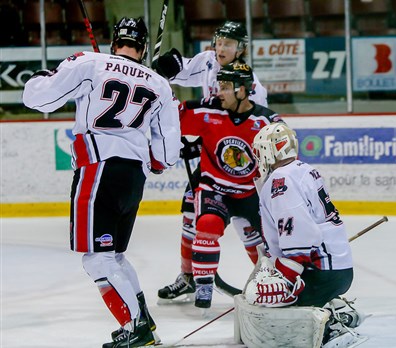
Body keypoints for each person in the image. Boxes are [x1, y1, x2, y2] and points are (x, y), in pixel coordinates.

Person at [22, 17, 182, 348]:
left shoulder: (90, 63)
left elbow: (38, 99)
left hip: (98, 167)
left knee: (97, 258)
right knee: (114, 256)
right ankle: (143, 323)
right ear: (144, 47)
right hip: (133, 177)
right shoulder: (159, 84)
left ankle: (137, 327)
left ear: (114, 42)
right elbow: (167, 155)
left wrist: (39, 78)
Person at [154, 21, 270, 306]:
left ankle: (269, 277)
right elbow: (180, 71)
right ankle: (189, 276)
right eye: (219, 42)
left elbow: (238, 128)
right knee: (191, 218)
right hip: (210, 167)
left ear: (241, 49)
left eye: (228, 45)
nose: (221, 49)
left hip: (242, 170)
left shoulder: (252, 87)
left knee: (249, 230)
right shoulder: (207, 61)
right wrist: (163, 67)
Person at [245, 122, 363, 345]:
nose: (258, 158)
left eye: (259, 151)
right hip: (337, 269)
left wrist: (287, 277)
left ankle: (332, 329)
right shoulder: (302, 169)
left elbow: (299, 234)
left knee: (279, 318)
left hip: (321, 272)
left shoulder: (280, 180)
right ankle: (337, 309)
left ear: (271, 150)